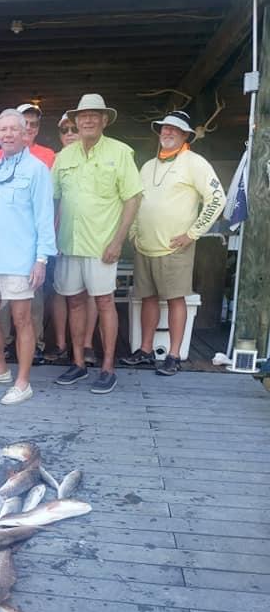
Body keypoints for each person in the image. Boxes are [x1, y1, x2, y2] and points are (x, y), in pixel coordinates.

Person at [121, 110, 226, 376]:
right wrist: (133, 232)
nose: (167, 132)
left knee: (176, 300)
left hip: (175, 246)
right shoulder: (148, 166)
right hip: (145, 246)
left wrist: (192, 234)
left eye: (174, 129)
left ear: (185, 135)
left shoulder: (194, 162)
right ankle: (145, 350)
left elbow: (217, 198)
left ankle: (174, 355)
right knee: (147, 299)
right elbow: (137, 201)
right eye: (164, 128)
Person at [52, 93, 142, 394]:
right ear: (76, 121)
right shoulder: (64, 157)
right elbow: (53, 200)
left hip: (102, 245)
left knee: (104, 302)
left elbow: (133, 199)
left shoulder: (120, 152)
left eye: (94, 115)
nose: (88, 120)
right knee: (74, 301)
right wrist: (50, 238)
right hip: (69, 244)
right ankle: (78, 363)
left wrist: (118, 241)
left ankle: (107, 368)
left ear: (104, 120)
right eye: (83, 115)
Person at [0, 108, 56, 406]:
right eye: (2, 129)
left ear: (25, 134)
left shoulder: (37, 169)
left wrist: (41, 259)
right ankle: (0, 369)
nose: (7, 134)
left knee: (22, 320)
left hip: (21, 259)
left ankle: (23, 382)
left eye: (13, 129)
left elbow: (45, 216)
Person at [44, 110, 99, 366]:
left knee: (89, 291)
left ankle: (87, 344)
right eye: (63, 130)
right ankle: (61, 343)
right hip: (59, 236)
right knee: (59, 291)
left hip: (91, 236)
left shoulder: (96, 157)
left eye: (73, 129)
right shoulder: (54, 160)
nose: (69, 134)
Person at [0, 102, 56, 169]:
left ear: (37, 129)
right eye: (24, 123)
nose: (28, 127)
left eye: (33, 124)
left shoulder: (48, 154)